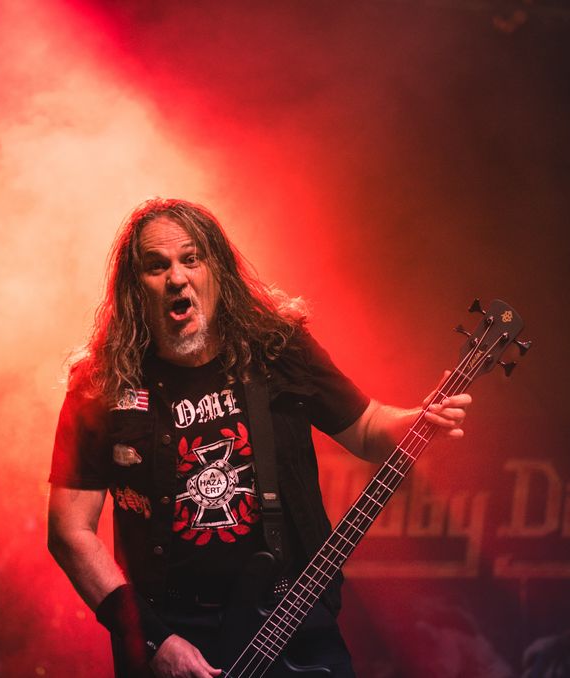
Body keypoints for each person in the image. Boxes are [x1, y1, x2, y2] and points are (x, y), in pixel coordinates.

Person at [48, 198, 471, 677]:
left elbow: (369, 428)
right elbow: (69, 530)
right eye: (156, 266)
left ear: (218, 271)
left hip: (290, 621)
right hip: (172, 633)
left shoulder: (278, 349)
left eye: (191, 259)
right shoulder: (101, 385)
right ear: (134, 288)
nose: (177, 278)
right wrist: (151, 640)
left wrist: (416, 419)